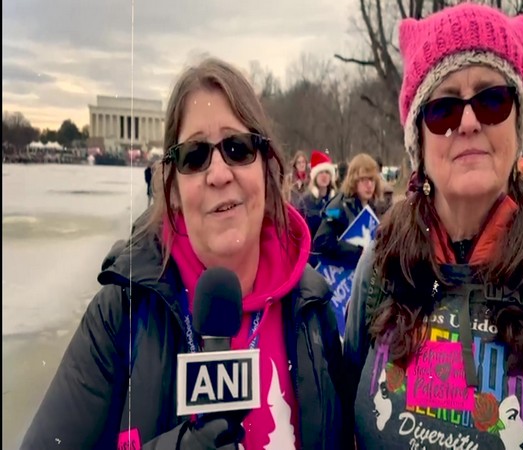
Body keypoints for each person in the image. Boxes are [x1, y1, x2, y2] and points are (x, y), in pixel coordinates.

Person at [22, 58, 349, 450]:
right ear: (172, 187)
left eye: (237, 148)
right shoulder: (121, 313)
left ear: (266, 166)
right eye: (194, 155)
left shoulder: (312, 309)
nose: (218, 173)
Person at [343, 4, 523, 450]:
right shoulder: (380, 268)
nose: (468, 122)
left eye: (492, 100)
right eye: (442, 109)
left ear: (517, 123)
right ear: (417, 140)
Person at [312, 153, 382, 270]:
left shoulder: (373, 206)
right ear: (353, 180)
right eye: (363, 179)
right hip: (338, 277)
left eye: (371, 179)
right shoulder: (336, 207)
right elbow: (322, 241)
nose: (369, 185)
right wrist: (358, 252)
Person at [297, 150, 337, 266]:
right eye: (321, 173)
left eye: (327, 172)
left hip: (333, 258)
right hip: (312, 258)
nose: (324, 176)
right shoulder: (305, 201)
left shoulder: (337, 200)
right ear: (314, 176)